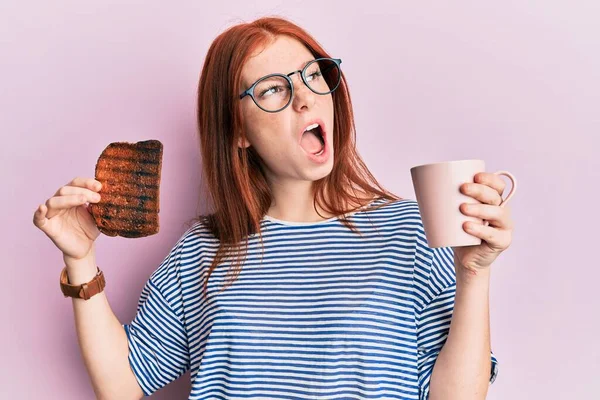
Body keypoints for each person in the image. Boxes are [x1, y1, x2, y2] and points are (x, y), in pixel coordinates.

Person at [33, 16, 513, 400]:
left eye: (312, 76)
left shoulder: (414, 230)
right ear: (238, 131)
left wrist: (473, 272)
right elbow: (123, 386)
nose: (305, 98)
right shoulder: (202, 250)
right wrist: (79, 260)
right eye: (272, 89)